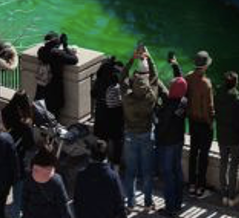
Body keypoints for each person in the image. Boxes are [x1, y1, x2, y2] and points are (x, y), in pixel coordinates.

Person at [121, 73, 160, 212]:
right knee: (147, 172)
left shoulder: (126, 99)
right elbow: (155, 80)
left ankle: (130, 203)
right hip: (146, 136)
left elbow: (122, 78)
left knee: (130, 172)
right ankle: (148, 202)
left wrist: (132, 59)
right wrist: (148, 58)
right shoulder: (150, 99)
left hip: (130, 136)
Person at [153, 76, 190, 216]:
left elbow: (161, 125)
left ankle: (170, 208)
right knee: (177, 171)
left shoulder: (168, 106)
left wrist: (156, 113)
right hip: (178, 141)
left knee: (168, 175)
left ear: (173, 90)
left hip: (167, 143)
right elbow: (171, 93)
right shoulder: (184, 101)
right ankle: (178, 203)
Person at [185, 52, 215, 198]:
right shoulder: (206, 84)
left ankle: (191, 184)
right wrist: (210, 123)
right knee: (203, 156)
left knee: (193, 153)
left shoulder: (188, 77)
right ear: (206, 65)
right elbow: (208, 108)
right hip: (203, 123)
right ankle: (200, 188)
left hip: (192, 121)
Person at [72, 138, 126, 218]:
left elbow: (77, 202)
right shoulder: (113, 177)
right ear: (106, 156)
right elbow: (119, 204)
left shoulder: (81, 176)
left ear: (90, 156)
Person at [215, 71, 239, 205]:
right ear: (235, 83)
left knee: (223, 163)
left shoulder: (217, 95)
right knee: (233, 167)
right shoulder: (238, 99)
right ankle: (231, 196)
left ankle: (223, 194)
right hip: (235, 138)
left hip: (222, 135)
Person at [22, 147, 73, 218]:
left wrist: (25, 215)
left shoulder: (29, 177)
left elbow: (24, 200)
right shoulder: (56, 179)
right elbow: (63, 204)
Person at [36, 32, 78, 117]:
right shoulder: (57, 53)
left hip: (42, 86)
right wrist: (65, 46)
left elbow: (48, 49)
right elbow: (74, 60)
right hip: (54, 88)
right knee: (53, 113)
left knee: (41, 110)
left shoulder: (41, 51)